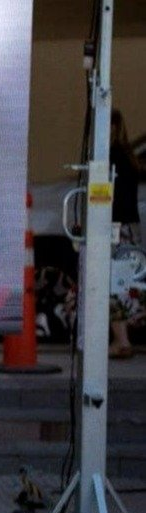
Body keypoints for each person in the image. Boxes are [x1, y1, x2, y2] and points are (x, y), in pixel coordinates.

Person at [108, 110, 142, 359]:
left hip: (115, 228)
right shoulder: (129, 157)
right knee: (126, 283)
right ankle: (122, 338)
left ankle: (121, 340)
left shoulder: (112, 158)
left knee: (114, 283)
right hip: (131, 228)